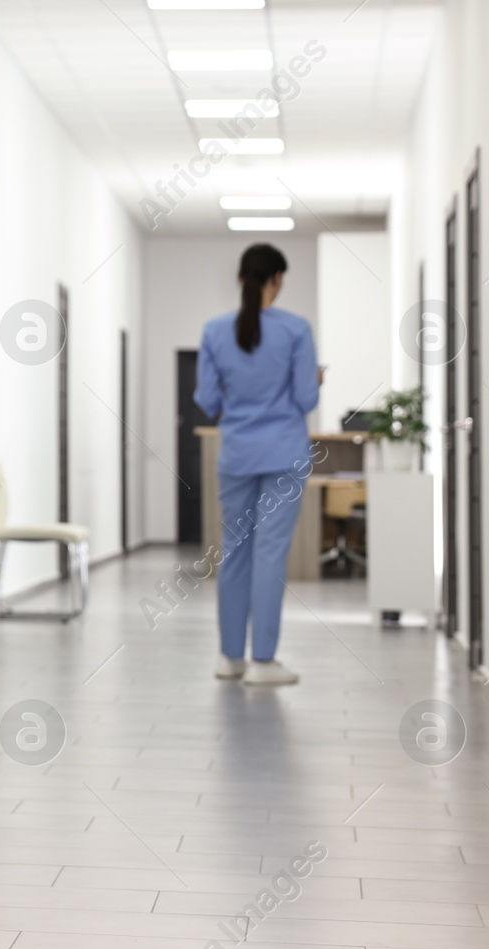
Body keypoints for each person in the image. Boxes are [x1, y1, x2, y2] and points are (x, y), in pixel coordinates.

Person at [193, 243, 320, 687]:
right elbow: (307, 398)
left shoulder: (213, 331)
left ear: (241, 279)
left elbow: (207, 400)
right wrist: (312, 378)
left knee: (235, 552)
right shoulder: (296, 330)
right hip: (284, 453)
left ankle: (230, 658)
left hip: (237, 454)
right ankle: (263, 662)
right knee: (270, 554)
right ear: (276, 280)